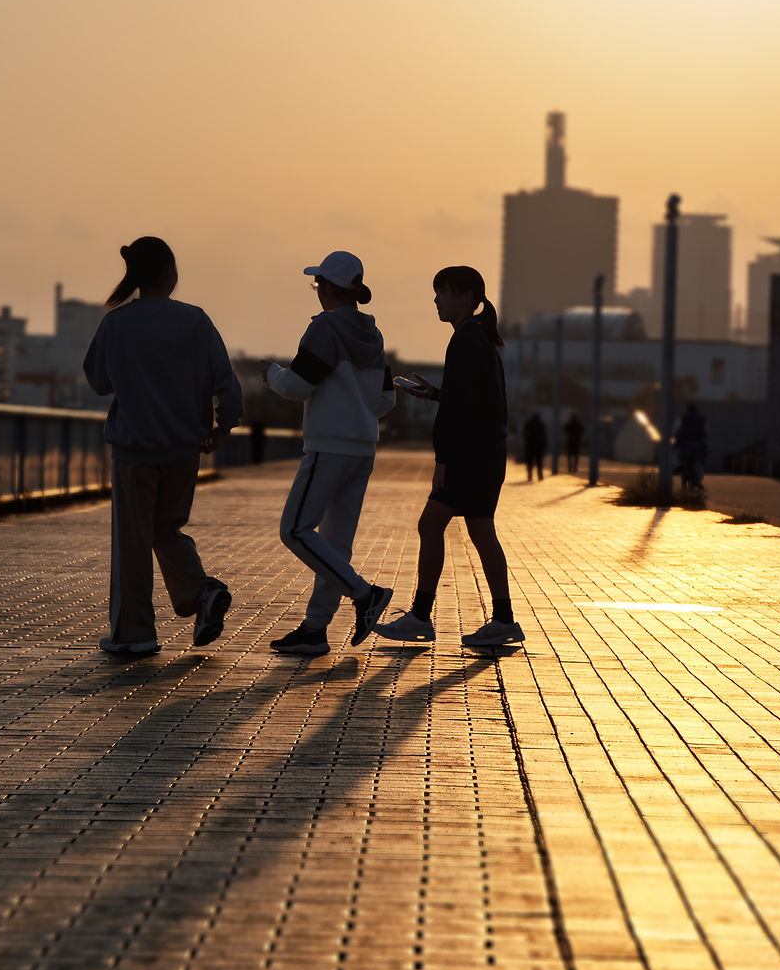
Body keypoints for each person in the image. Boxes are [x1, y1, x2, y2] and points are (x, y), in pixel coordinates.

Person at [83, 237, 242, 657]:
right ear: (169, 271)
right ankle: (199, 591)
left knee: (133, 540)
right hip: (184, 447)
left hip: (135, 448)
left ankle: (134, 632)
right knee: (165, 528)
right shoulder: (195, 321)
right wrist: (221, 430)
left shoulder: (116, 324)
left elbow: (98, 381)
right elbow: (228, 384)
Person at [375, 265, 524, 653]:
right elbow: (471, 400)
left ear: (464, 295)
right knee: (479, 531)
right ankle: (503, 620)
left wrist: (443, 458)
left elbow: (460, 410)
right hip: (486, 452)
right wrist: (435, 394)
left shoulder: (465, 340)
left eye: (441, 292)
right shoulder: (477, 338)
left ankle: (422, 618)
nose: (436, 300)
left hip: (470, 455)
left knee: (432, 523)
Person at [264, 251, 395, 656]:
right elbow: (386, 401)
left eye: (318, 283)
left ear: (330, 288)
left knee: (296, 530)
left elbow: (298, 386)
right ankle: (315, 628)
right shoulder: (372, 335)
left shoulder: (325, 329)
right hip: (362, 449)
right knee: (335, 545)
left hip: (328, 446)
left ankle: (365, 594)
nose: (317, 290)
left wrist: (270, 374)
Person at [673, 402, 708, 493]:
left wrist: (677, 443)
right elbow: (705, 432)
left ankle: (684, 483)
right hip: (697, 447)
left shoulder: (683, 418)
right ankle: (695, 481)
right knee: (697, 464)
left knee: (684, 464)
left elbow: (678, 432)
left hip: (685, 447)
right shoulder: (701, 419)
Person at [522, 409, 547, 482]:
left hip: (530, 446)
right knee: (538, 462)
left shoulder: (529, 423)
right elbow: (544, 436)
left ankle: (531, 476)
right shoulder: (541, 424)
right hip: (537, 446)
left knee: (530, 462)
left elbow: (525, 434)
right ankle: (539, 475)